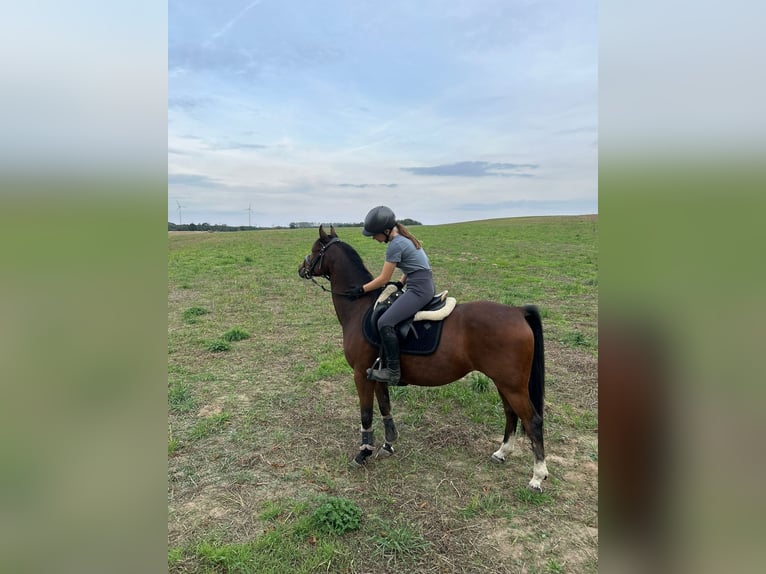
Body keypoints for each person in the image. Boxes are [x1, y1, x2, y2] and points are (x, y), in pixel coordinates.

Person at [345, 206, 434, 385]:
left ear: (386, 231)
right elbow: (414, 266)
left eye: (375, 234)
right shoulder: (404, 239)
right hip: (421, 284)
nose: (373, 238)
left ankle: (393, 372)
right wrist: (401, 283)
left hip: (419, 290)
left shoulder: (395, 245)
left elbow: (383, 278)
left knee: (384, 322)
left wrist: (361, 290)